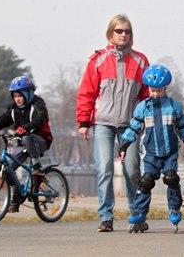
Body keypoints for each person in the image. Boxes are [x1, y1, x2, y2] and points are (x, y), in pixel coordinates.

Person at [76, 14, 149, 232]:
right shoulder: (97, 60)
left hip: (130, 125)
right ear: (111, 33)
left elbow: (147, 96)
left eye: (127, 31)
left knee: (132, 170)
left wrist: (146, 120)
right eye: (119, 31)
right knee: (104, 168)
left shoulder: (140, 61)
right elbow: (86, 92)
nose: (123, 35)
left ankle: (137, 214)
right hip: (104, 124)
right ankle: (106, 217)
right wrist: (83, 121)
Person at [119, 64, 184, 233]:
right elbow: (133, 128)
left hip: (170, 152)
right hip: (150, 154)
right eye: (152, 90)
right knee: (146, 182)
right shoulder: (142, 108)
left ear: (165, 89)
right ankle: (139, 213)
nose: (155, 94)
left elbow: (182, 126)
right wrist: (124, 145)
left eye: (159, 91)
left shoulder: (174, 106)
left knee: (171, 178)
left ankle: (174, 208)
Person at [0, 76, 53, 213]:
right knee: (8, 169)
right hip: (23, 143)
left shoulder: (38, 104)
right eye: (15, 96)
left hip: (40, 140)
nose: (17, 99)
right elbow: (1, 121)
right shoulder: (13, 110)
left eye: (20, 95)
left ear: (29, 93)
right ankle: (17, 196)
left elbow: (41, 119)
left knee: (28, 137)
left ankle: (37, 167)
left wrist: (26, 128)